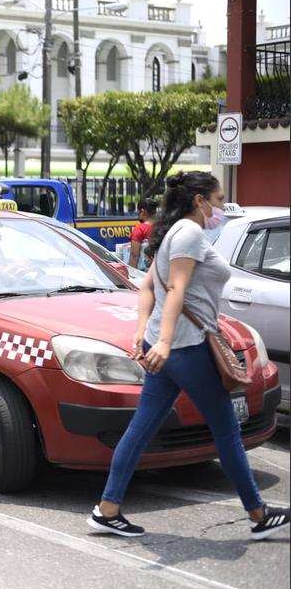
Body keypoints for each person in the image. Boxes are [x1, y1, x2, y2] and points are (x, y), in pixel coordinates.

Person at [86, 171, 289, 540]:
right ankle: (258, 515)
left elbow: (148, 286)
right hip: (185, 347)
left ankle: (108, 509)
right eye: (219, 198)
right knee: (226, 428)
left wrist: (142, 334)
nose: (223, 207)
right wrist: (162, 341)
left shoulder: (171, 234)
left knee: (142, 427)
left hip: (169, 347)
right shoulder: (189, 233)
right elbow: (175, 287)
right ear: (200, 200)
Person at [127, 198, 158, 270]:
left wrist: (130, 274)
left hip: (143, 274)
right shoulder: (162, 227)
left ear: (143, 211)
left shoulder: (140, 228)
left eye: (138, 212)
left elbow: (134, 255)